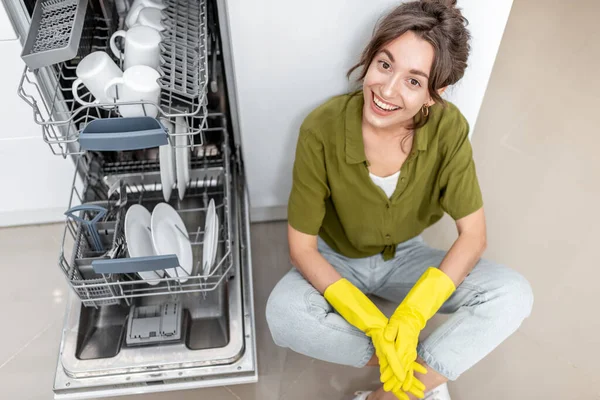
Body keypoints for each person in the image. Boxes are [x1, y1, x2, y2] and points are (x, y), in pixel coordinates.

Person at [265, 1, 534, 399]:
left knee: (513, 295)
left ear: (433, 94)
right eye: (385, 65)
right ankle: (412, 370)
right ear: (370, 58)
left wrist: (412, 314)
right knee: (284, 316)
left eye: (413, 81)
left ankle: (391, 395)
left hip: (407, 256)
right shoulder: (321, 127)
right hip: (336, 255)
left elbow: (473, 236)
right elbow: (302, 249)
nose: (387, 90)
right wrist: (377, 326)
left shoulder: (449, 128)